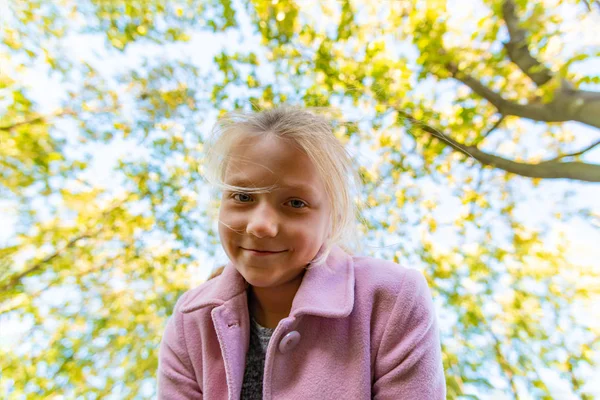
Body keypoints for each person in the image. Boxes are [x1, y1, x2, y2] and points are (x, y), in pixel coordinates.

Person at [157, 106, 446, 399]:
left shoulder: (392, 301)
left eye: (295, 203)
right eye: (243, 196)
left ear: (332, 218)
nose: (261, 226)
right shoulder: (190, 321)